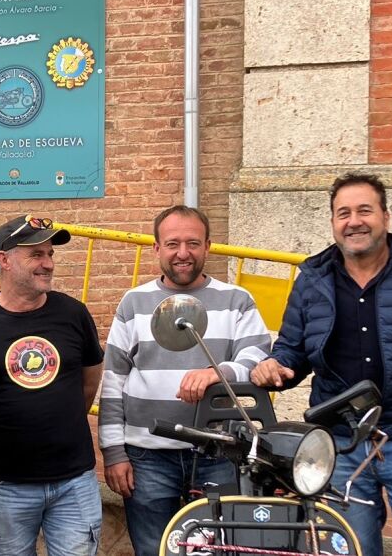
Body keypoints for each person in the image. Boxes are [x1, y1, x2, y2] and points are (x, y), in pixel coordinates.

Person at [249, 173, 392, 556]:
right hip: (340, 447)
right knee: (351, 550)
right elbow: (293, 349)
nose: (354, 221)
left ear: (385, 217)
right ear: (333, 222)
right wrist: (276, 366)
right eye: (343, 213)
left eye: (364, 211)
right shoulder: (312, 280)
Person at [98, 205, 271, 556]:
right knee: (153, 549)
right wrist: (114, 453)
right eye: (172, 243)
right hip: (147, 455)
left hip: (218, 452)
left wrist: (217, 373)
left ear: (208, 246)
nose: (182, 253)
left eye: (192, 243)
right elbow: (114, 380)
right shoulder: (134, 302)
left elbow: (256, 359)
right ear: (156, 248)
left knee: (220, 550)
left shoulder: (236, 300)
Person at [0, 216, 105, 555]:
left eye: (50, 254)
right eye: (36, 254)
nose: (48, 263)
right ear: (4, 260)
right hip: (4, 484)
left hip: (74, 481)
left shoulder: (74, 314)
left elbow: (89, 380)